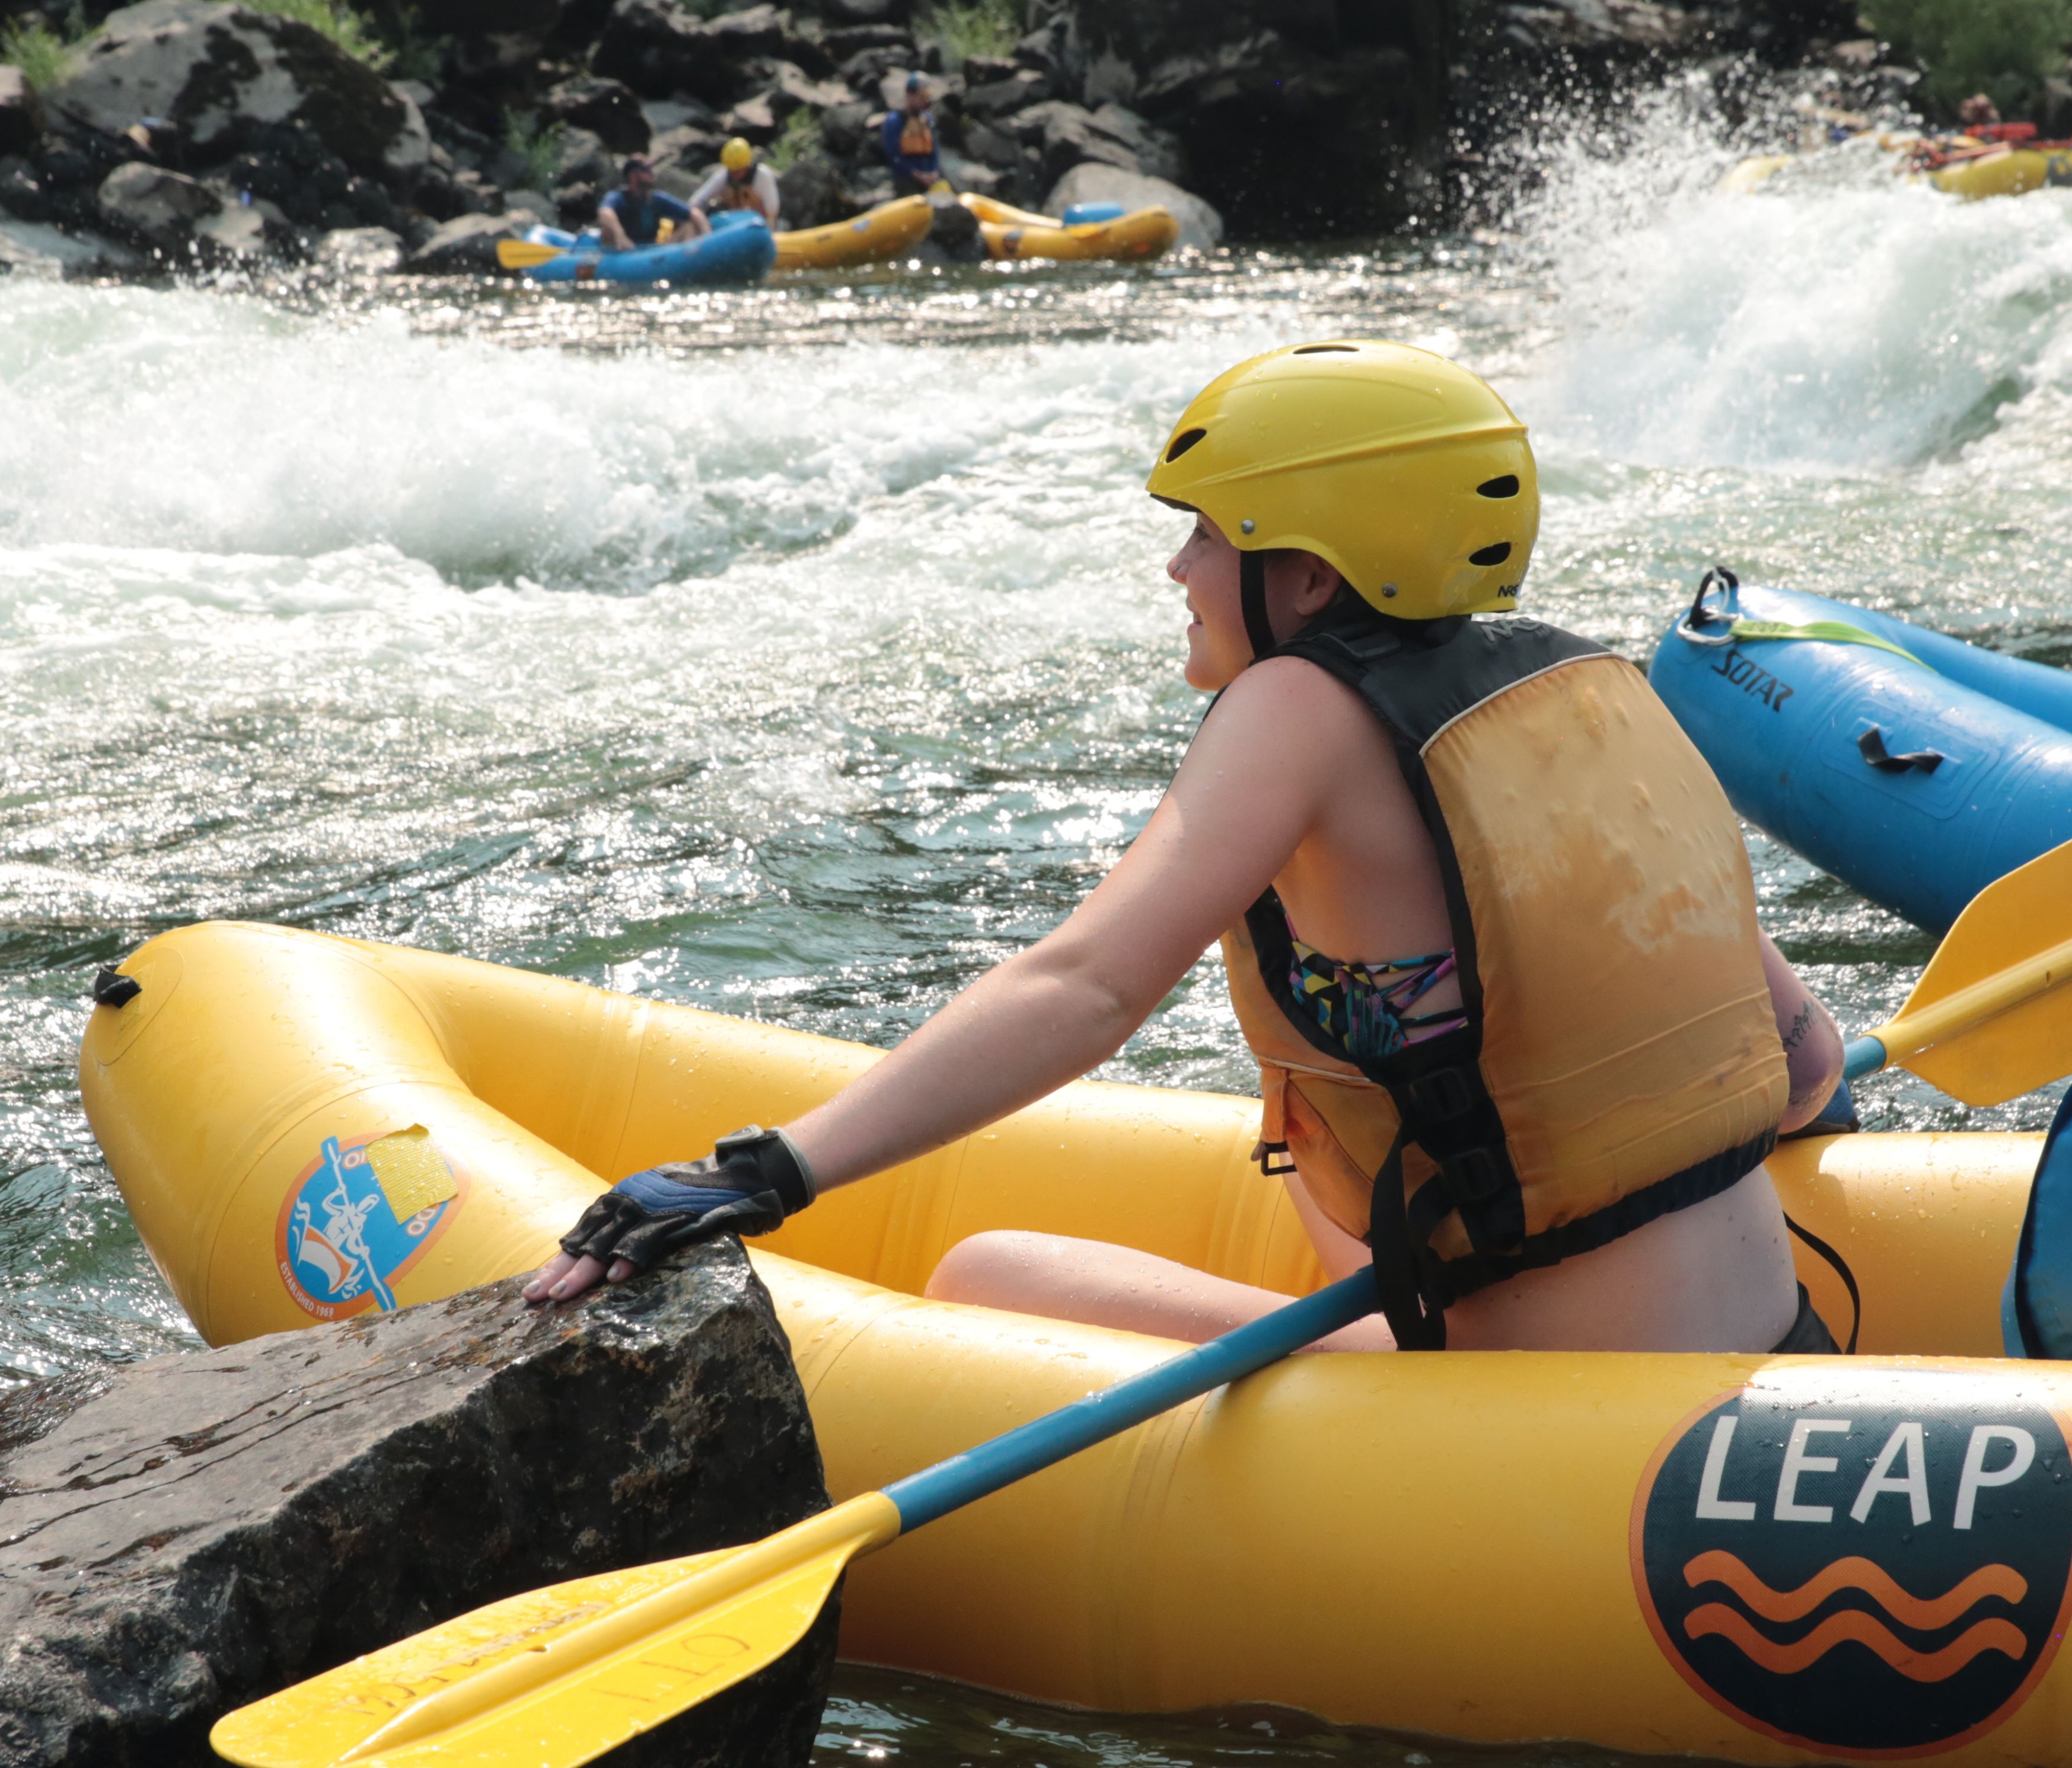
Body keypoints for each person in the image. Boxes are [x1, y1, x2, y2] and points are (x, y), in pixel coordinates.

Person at [525, 342, 1848, 1357]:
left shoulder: (1296, 709)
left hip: (1552, 1430)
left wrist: (768, 1171)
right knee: (1307, 1146)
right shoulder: (1574, 692)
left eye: (1210, 535)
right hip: (1770, 1342)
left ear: (1313, 577)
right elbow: (1803, 1068)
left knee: (986, 1273)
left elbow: (1090, 987)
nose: (1178, 569)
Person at [597, 156, 706, 251]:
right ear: (633, 176)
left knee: (690, 226)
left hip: (651, 250)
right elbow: (604, 212)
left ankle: (690, 260)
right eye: (647, 170)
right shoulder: (619, 197)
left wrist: (708, 236)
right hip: (623, 251)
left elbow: (694, 213)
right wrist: (620, 236)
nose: (651, 173)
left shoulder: (656, 198)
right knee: (607, 227)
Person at [691, 137, 782, 227]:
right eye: (731, 170)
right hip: (732, 225)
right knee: (713, 210)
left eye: (738, 170)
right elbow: (700, 198)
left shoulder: (763, 176)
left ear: (746, 166)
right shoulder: (725, 175)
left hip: (757, 226)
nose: (734, 174)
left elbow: (772, 210)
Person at [881, 72, 946, 196]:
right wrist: (918, 175)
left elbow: (935, 150)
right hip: (907, 180)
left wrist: (934, 172)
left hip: (930, 178)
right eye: (921, 96)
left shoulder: (928, 120)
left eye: (926, 96)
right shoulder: (895, 120)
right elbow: (894, 156)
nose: (925, 100)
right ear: (910, 95)